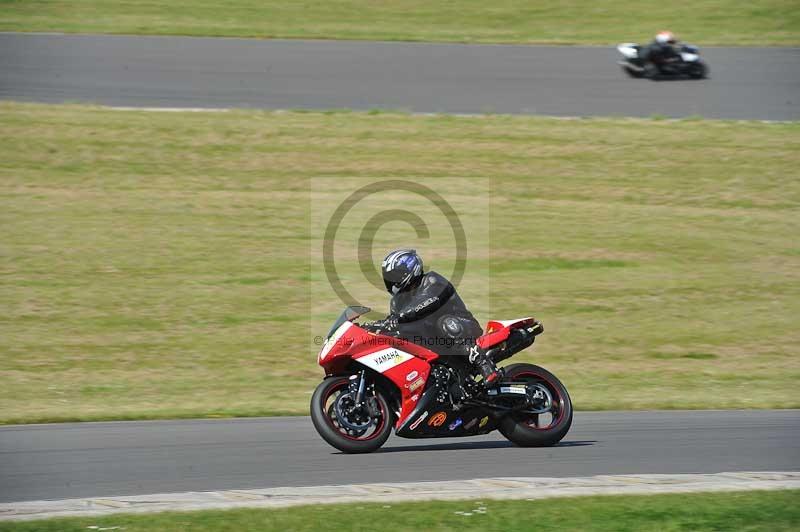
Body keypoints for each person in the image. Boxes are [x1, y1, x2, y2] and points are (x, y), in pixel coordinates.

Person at [364, 249, 501, 385]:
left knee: (445, 322)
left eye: (395, 275)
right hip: (434, 343)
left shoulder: (432, 281)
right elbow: (396, 325)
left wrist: (399, 318)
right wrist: (374, 327)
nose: (392, 281)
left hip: (463, 328)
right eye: (389, 277)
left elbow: (425, 303)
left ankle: (484, 364)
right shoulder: (397, 302)